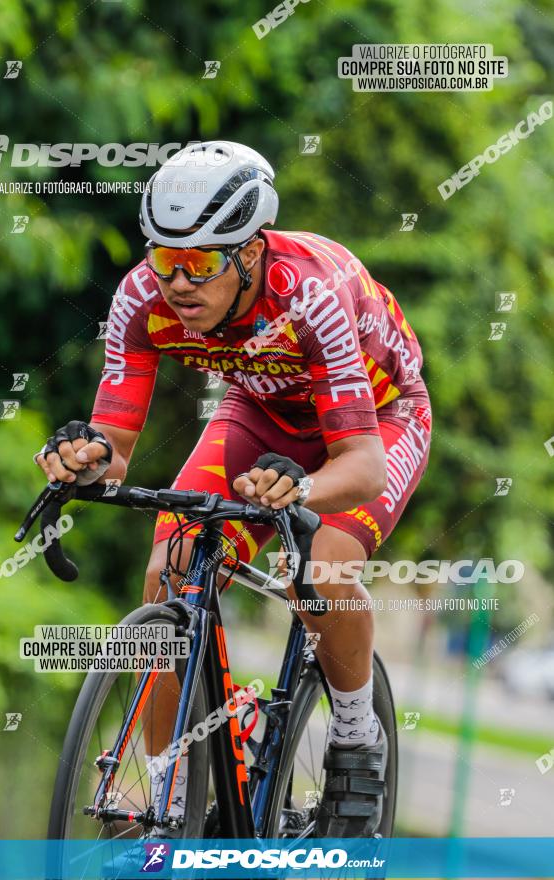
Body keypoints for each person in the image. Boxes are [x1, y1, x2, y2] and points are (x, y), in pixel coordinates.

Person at [34, 140, 432, 837]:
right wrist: (81, 457)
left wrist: (300, 488)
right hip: (258, 411)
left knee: (322, 569)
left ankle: (355, 737)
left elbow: (363, 469)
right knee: (170, 570)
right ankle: (170, 799)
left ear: (249, 253)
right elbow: (116, 450)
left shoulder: (311, 293)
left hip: (377, 421)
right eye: (163, 258)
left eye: (199, 263)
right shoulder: (140, 299)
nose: (176, 284)